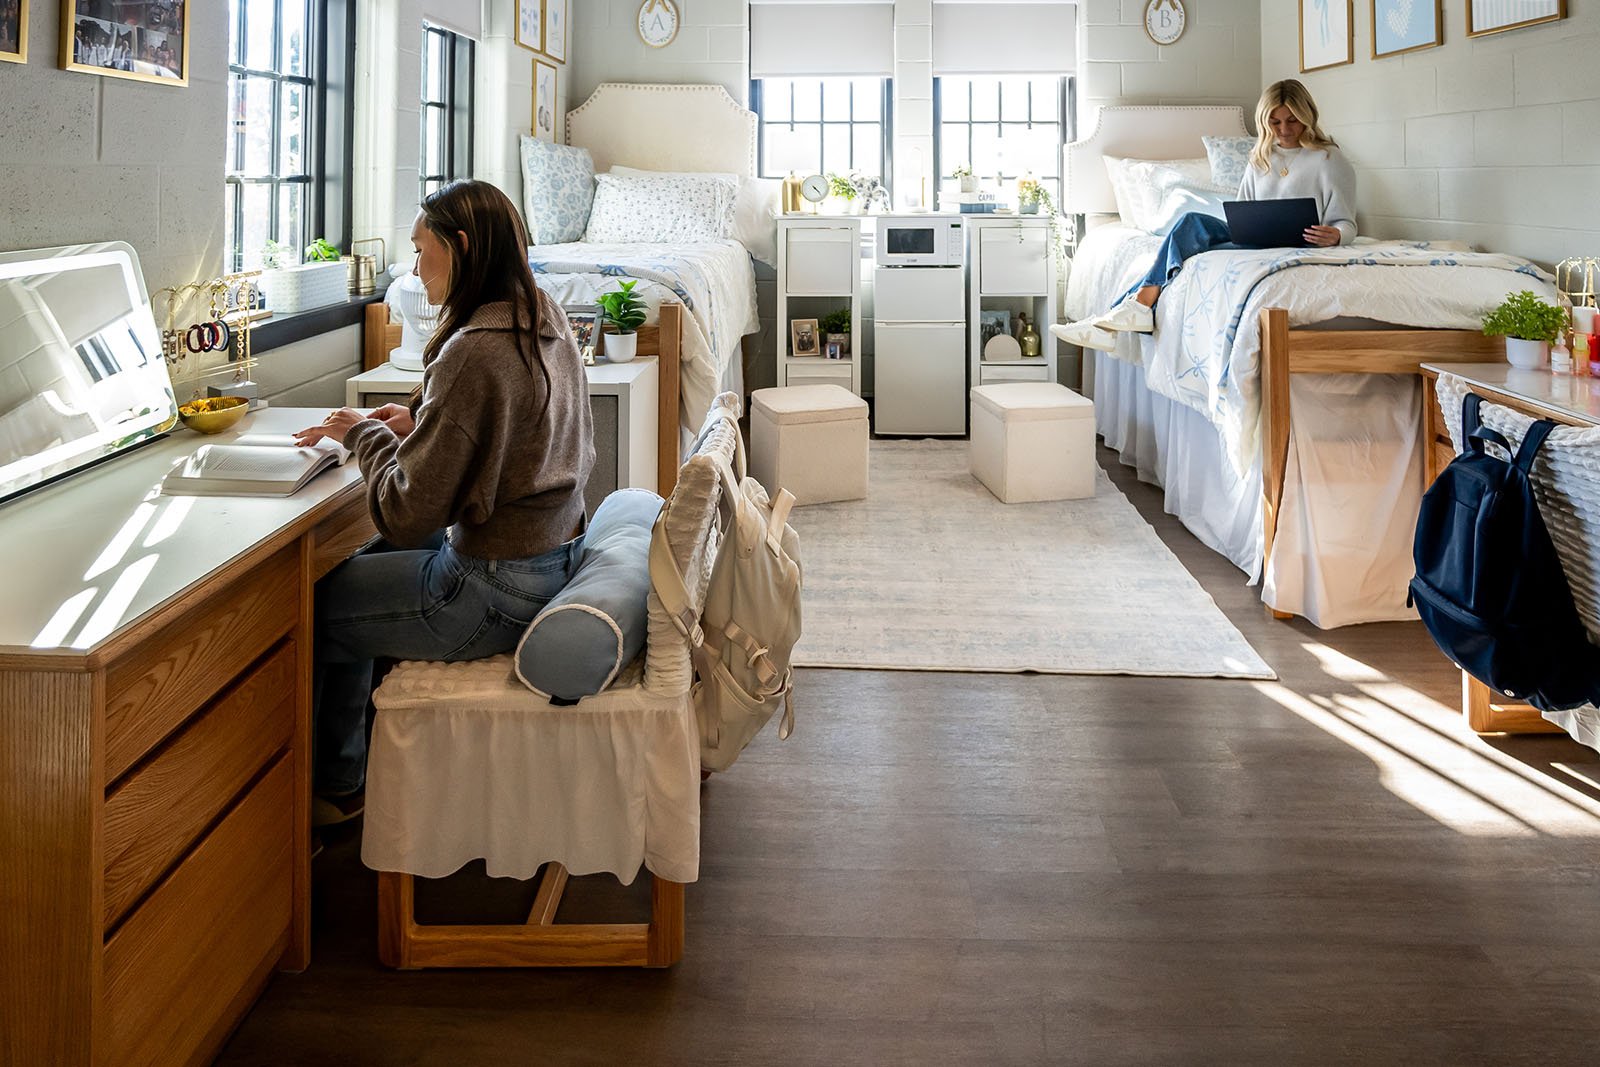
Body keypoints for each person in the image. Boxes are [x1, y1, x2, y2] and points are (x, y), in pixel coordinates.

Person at [295, 180, 595, 825]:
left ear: (460, 247)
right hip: (548, 561)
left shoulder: (473, 350)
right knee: (357, 578)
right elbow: (510, 433)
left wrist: (366, 434)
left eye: (421, 250)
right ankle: (348, 770)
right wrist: (419, 421)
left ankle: (335, 785)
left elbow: (405, 517)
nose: (413, 268)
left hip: (491, 592)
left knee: (306, 610)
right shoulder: (543, 317)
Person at [1056, 79, 1357, 352]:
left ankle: (1121, 315)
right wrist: (1244, 227)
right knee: (1190, 224)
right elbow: (1245, 210)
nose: (1283, 130)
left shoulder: (1328, 159)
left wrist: (1338, 235)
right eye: (1274, 122)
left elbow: (1347, 223)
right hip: (1256, 243)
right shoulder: (1260, 158)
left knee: (1186, 241)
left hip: (1300, 244)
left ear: (1307, 116)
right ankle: (1129, 310)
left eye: (1292, 120)